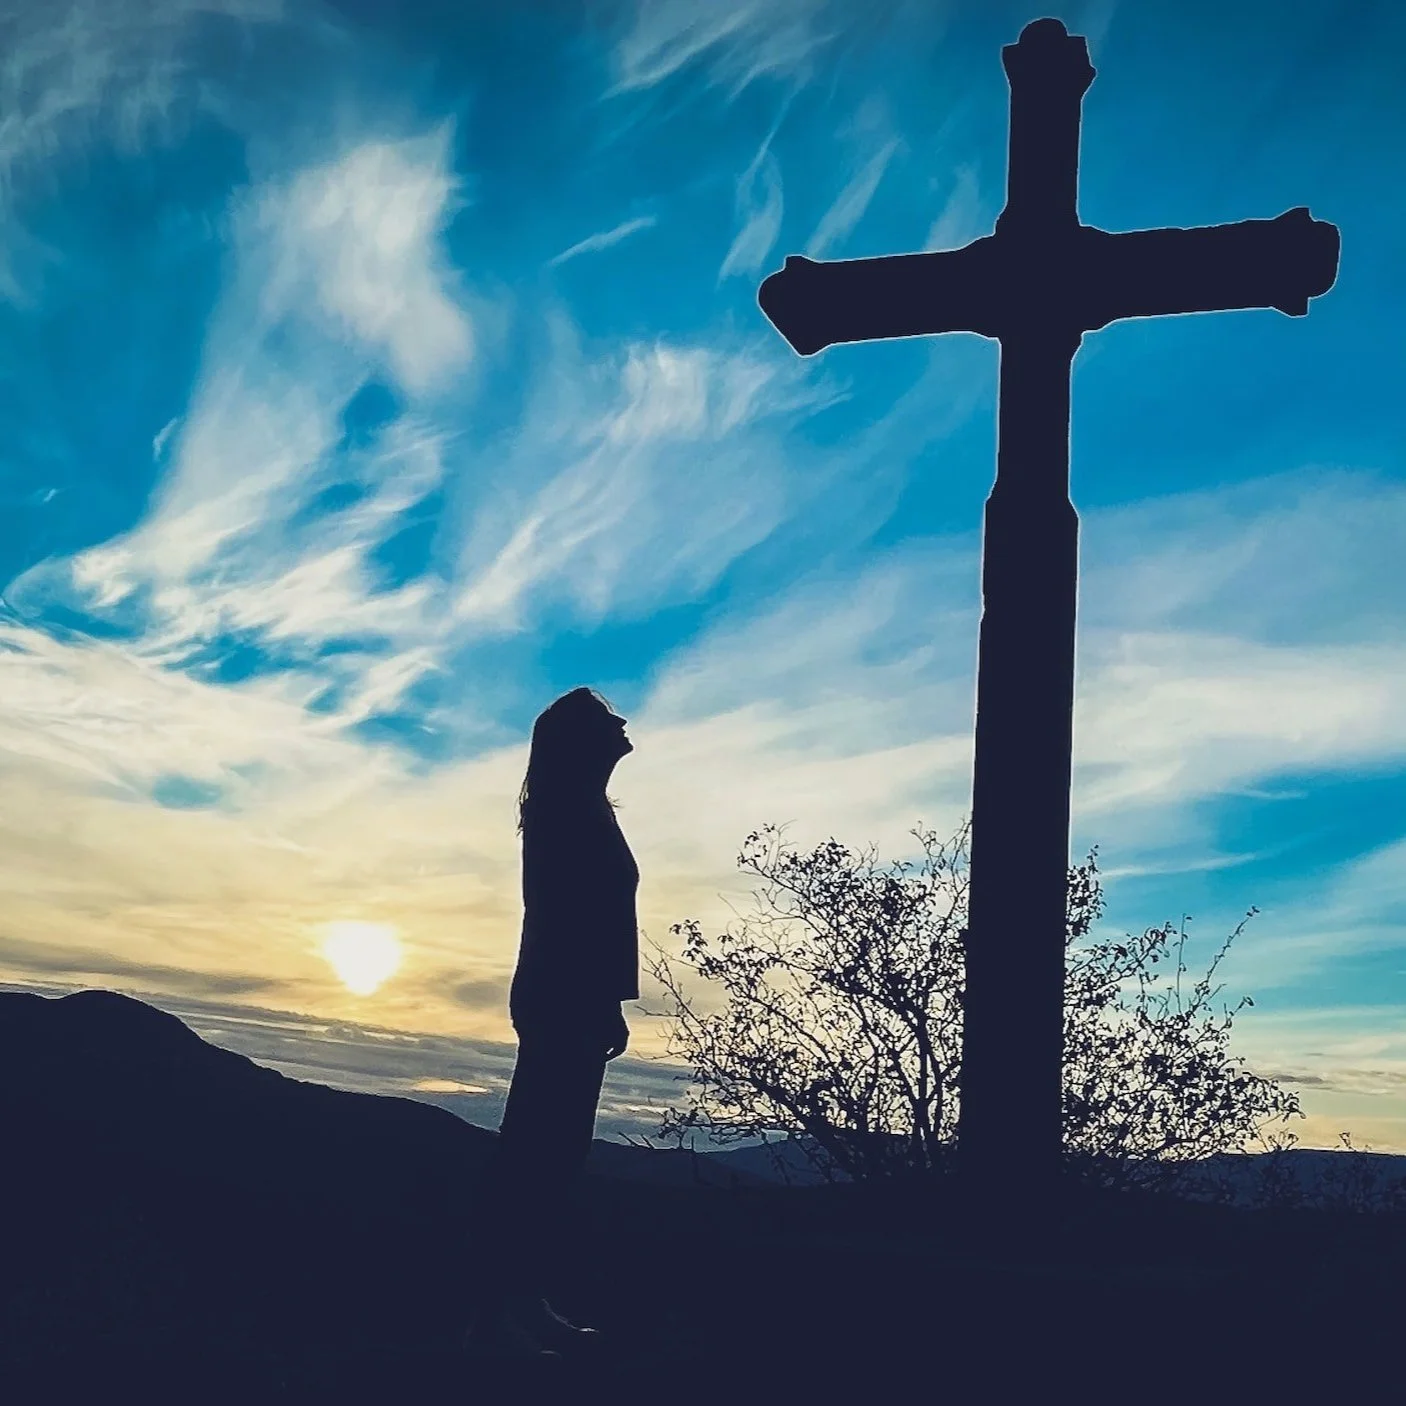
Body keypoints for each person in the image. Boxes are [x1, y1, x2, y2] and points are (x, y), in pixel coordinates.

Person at [465, 687, 639, 1358]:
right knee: (537, 1156)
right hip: (563, 997)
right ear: (578, 741)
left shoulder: (585, 808)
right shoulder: (566, 812)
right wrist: (596, 1001)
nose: (622, 723)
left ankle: (515, 1304)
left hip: (573, 998)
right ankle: (499, 1312)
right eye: (605, 719)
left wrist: (611, 1000)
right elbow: (567, 917)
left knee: (551, 1156)